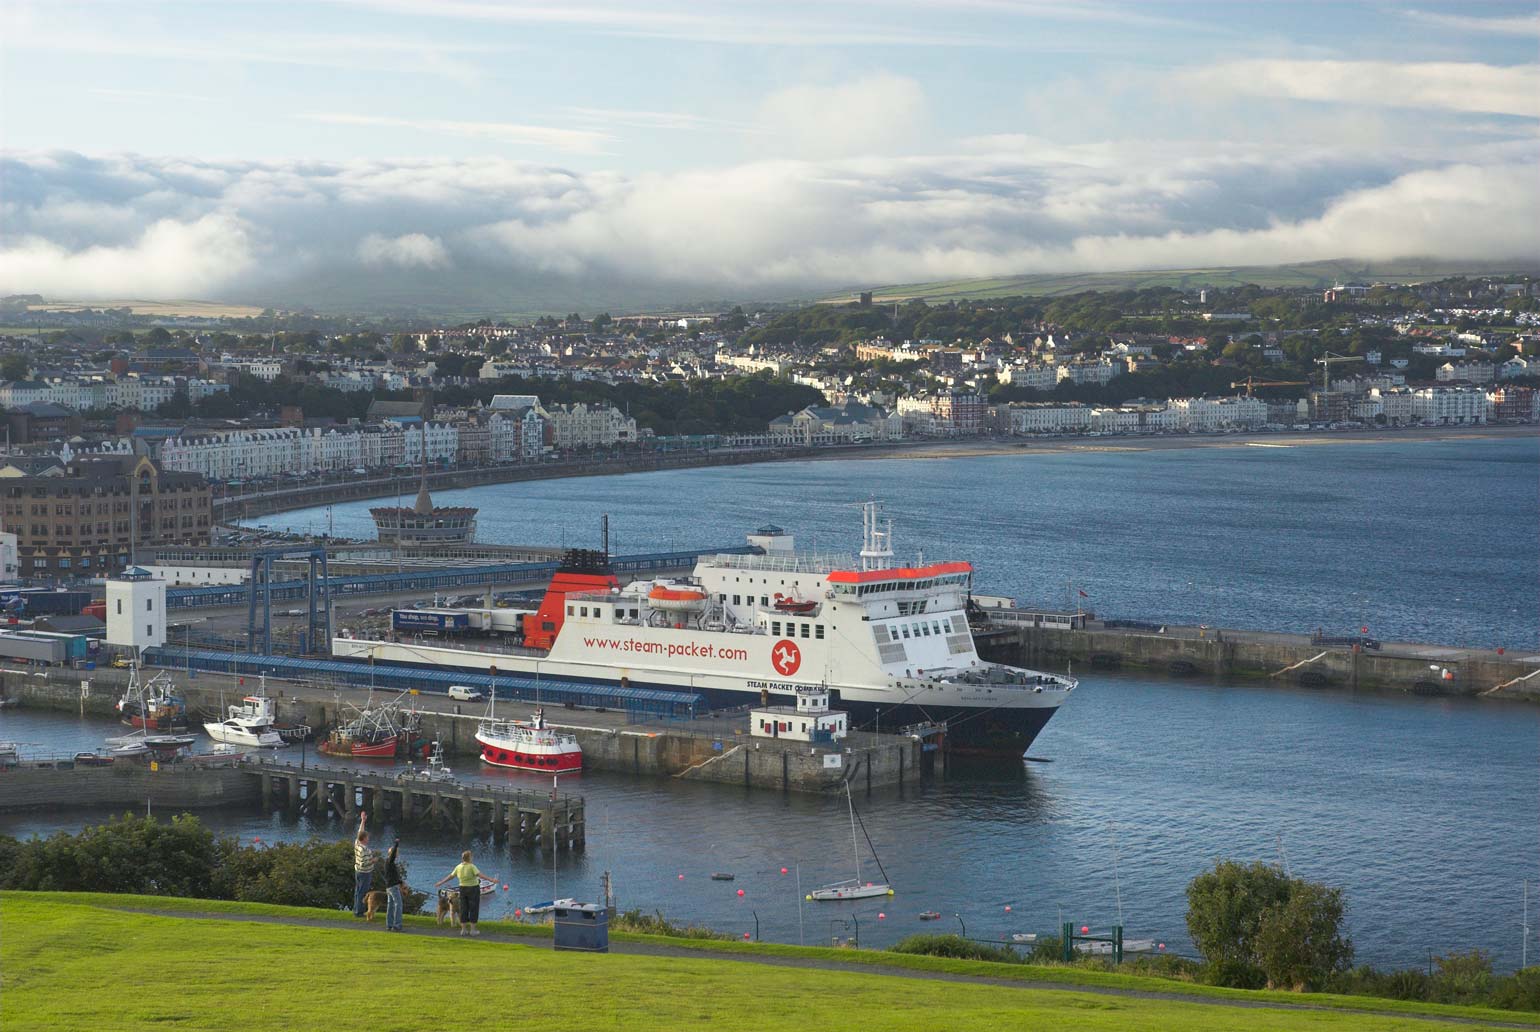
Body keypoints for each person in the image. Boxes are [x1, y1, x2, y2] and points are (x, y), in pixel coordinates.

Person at [436, 849, 495, 937]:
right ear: (469, 858)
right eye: (472, 857)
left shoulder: (458, 867)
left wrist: (441, 882)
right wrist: (491, 880)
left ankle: (463, 930)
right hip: (473, 889)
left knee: (463, 908)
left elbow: (451, 876)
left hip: (462, 889)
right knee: (473, 909)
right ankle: (472, 930)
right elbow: (480, 875)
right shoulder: (472, 866)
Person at [352, 813, 377, 919]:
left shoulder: (357, 843)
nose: (368, 839)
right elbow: (364, 862)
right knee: (363, 892)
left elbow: (359, 832)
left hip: (358, 871)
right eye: (367, 837)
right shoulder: (363, 849)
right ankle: (359, 911)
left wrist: (363, 821)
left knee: (358, 891)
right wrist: (373, 860)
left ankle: (356, 909)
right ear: (363, 839)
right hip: (364, 872)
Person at [383, 840, 407, 932]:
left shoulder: (388, 863)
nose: (397, 854)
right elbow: (392, 855)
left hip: (389, 886)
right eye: (397, 852)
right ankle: (397, 925)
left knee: (391, 905)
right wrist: (396, 844)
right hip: (393, 887)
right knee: (398, 904)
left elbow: (392, 876)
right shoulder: (390, 861)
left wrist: (401, 882)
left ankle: (389, 925)